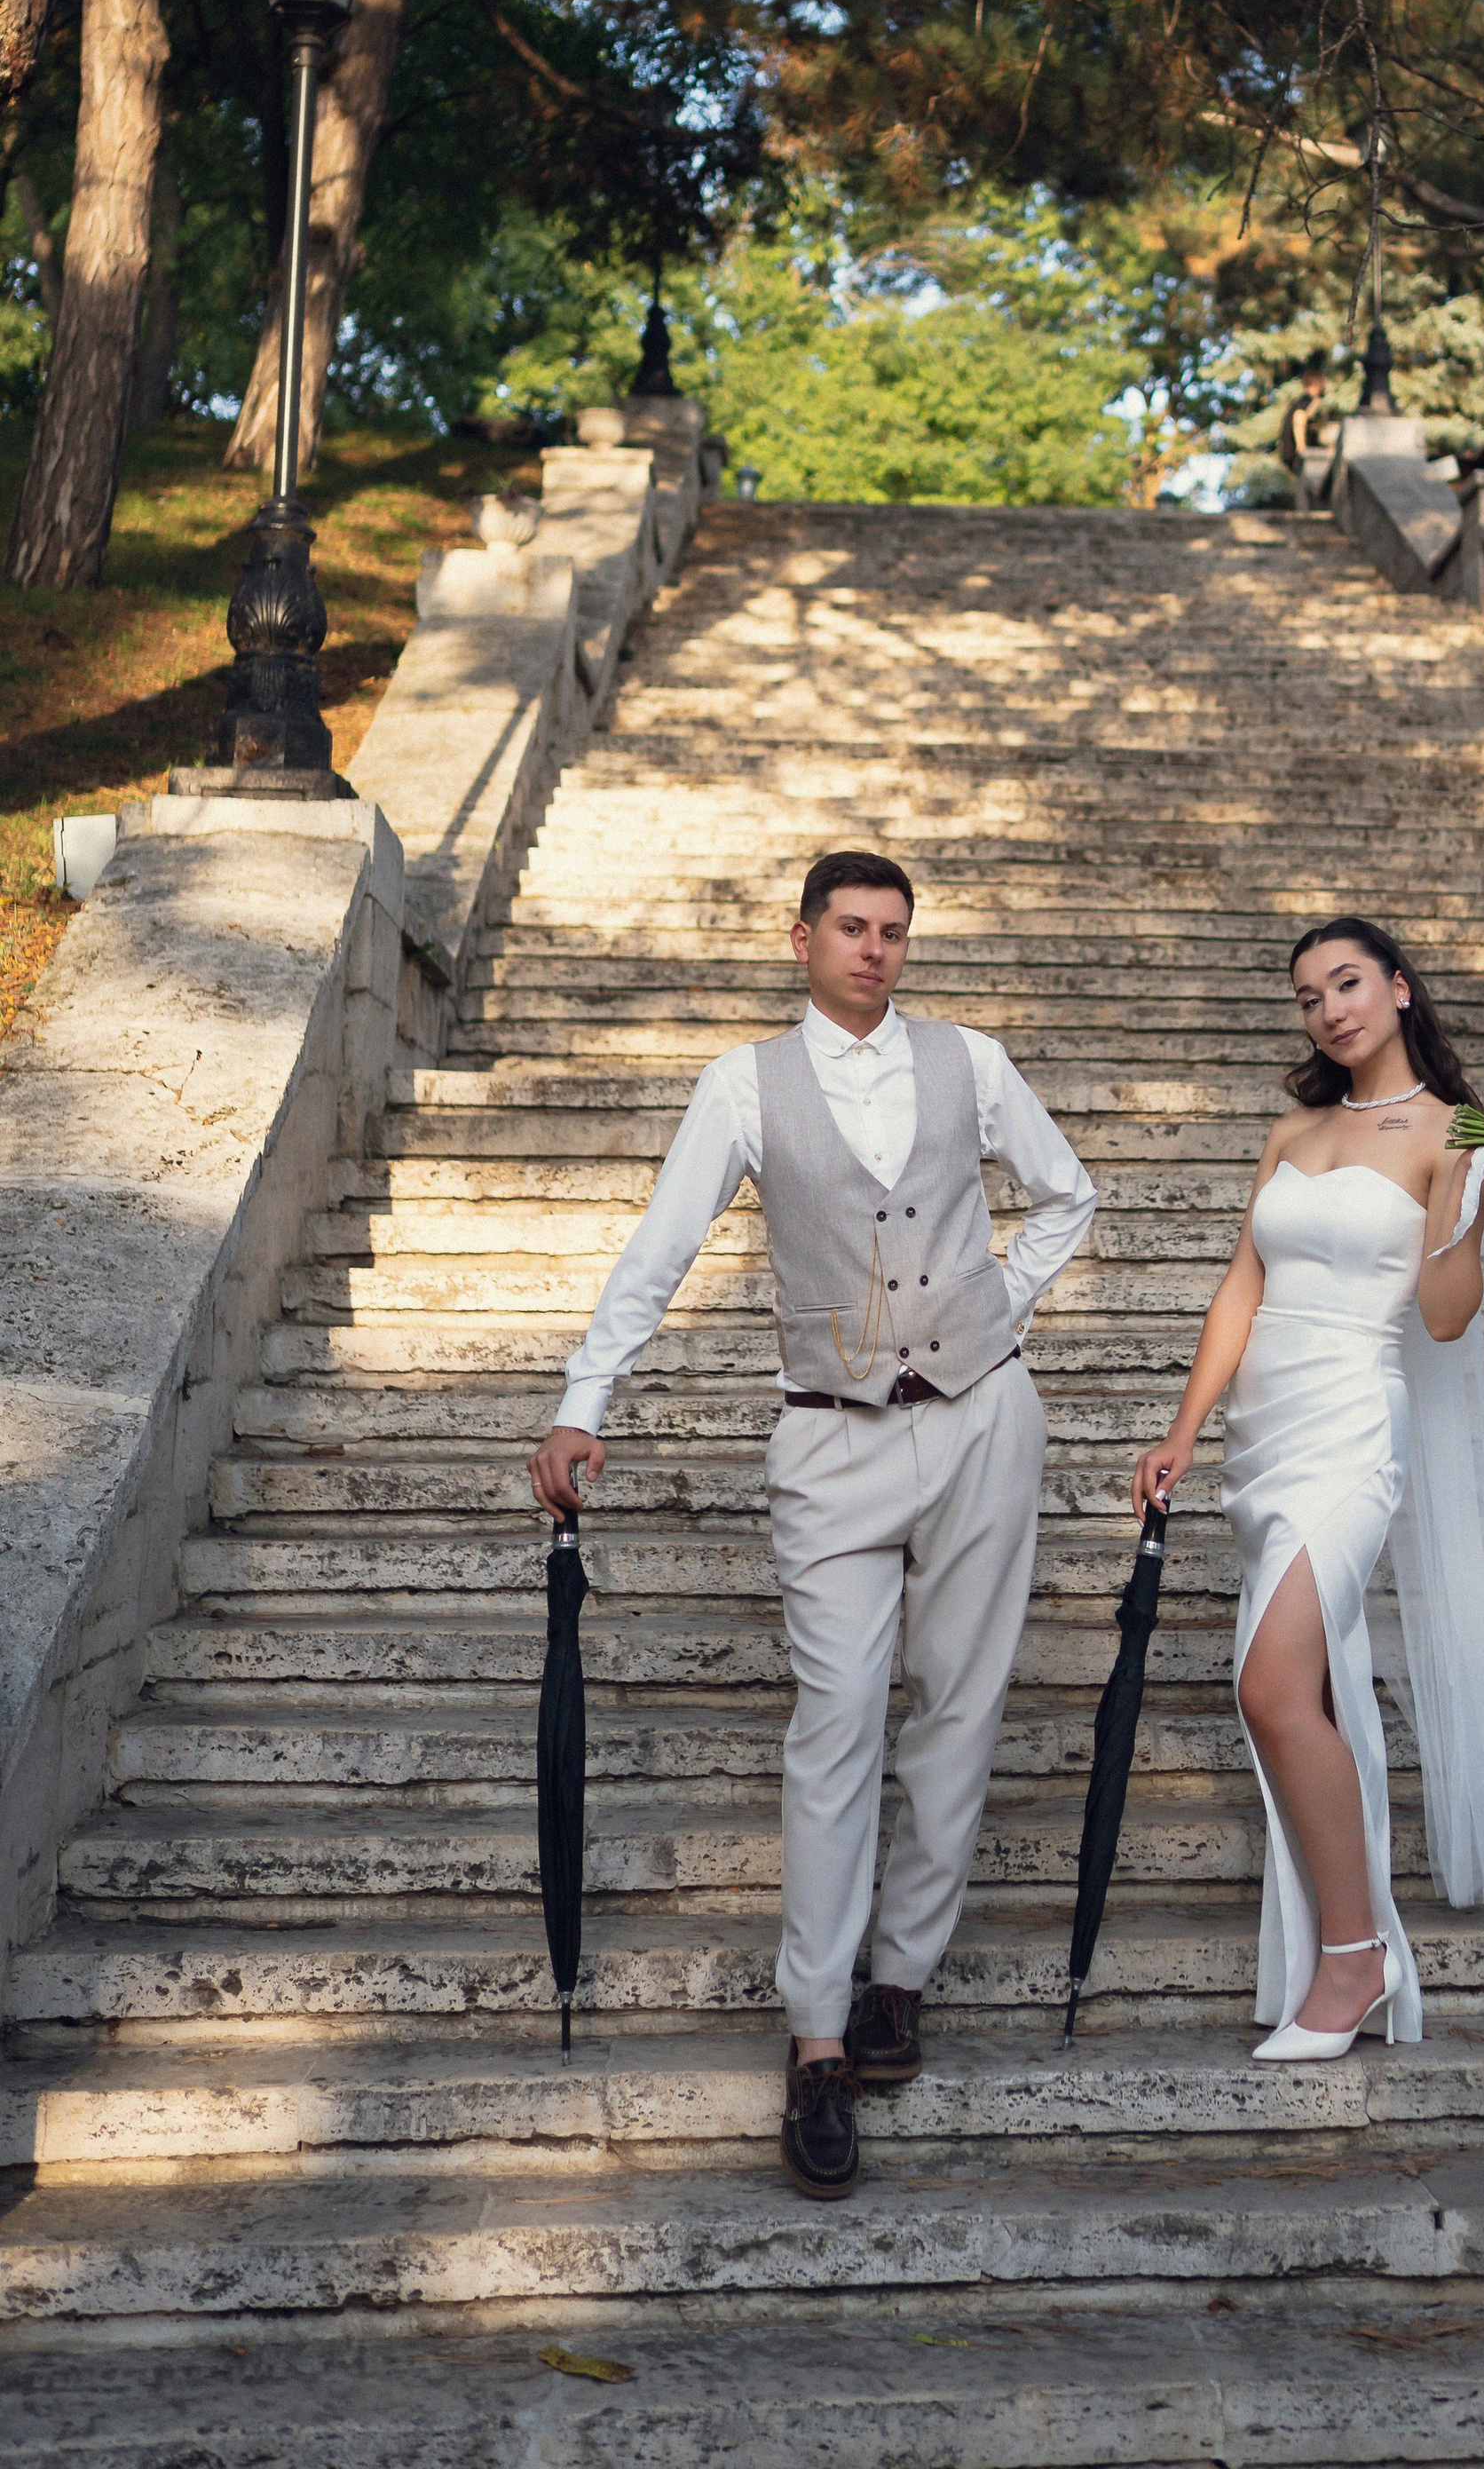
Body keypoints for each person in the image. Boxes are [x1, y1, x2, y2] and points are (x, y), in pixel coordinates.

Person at [529, 851, 1096, 2198]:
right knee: (837, 1715)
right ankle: (817, 2039)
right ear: (801, 941)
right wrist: (581, 1402)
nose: (875, 951)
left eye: (895, 932)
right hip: (829, 1437)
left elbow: (1068, 1194)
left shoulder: (973, 1061)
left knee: (959, 1702)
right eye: (852, 928)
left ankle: (900, 1975)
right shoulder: (744, 1085)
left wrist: (994, 1310)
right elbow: (659, 1249)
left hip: (981, 1420)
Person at [1132, 915, 1484, 2058]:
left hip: (1350, 1428)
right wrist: (1183, 1432)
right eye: (1309, 994)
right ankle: (1344, 1944)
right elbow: (1241, 1289)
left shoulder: (1451, 1132)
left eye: (1348, 983)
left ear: (1400, 991)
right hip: (1261, 1439)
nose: (1329, 1008)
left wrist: (1470, 1188)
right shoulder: (1293, 1130)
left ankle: (1353, 1957)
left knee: (1273, 1691)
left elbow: (1443, 1316)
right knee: (1300, 1698)